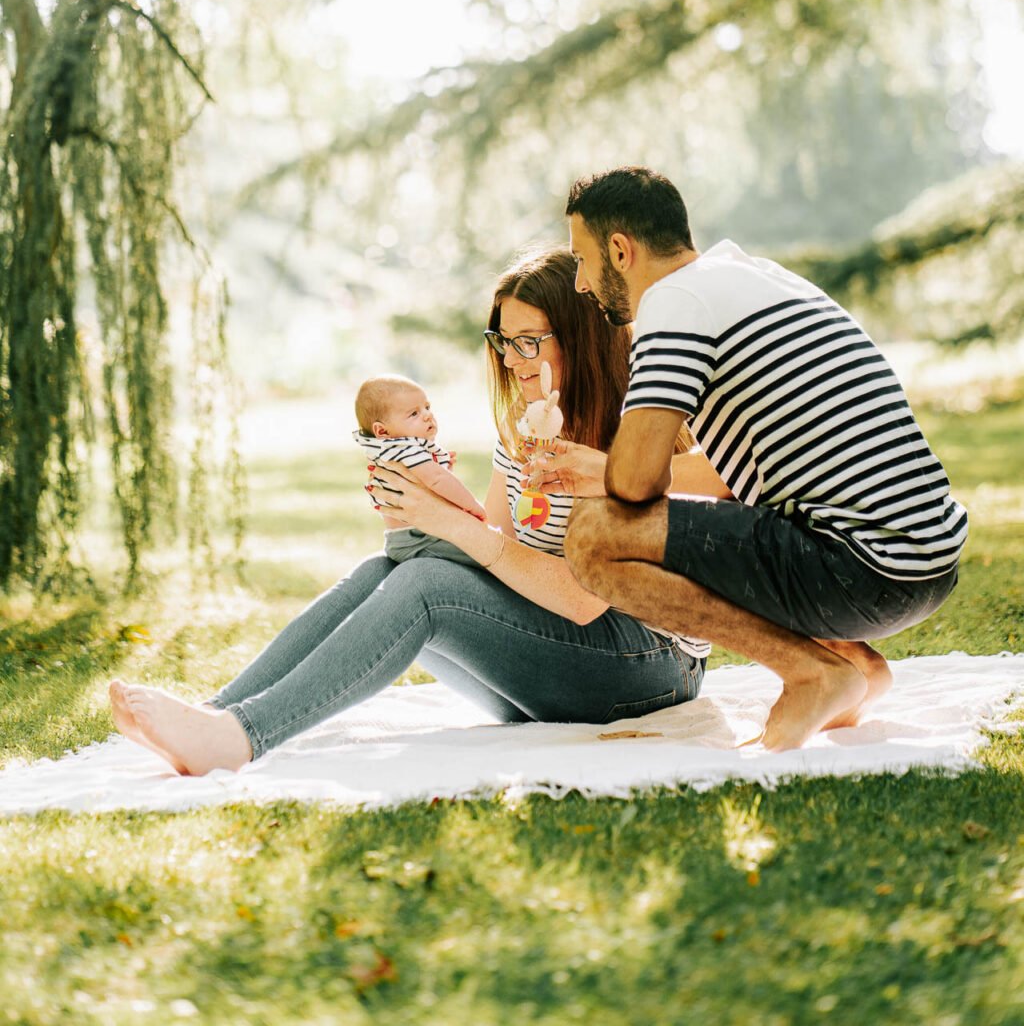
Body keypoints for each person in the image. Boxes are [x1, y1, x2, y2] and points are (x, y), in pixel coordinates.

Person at [107, 248, 708, 777]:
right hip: (569, 659)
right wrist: (415, 517)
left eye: (531, 340)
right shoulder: (522, 429)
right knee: (387, 572)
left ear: (577, 337)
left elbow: (582, 601)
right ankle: (217, 715)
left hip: (649, 664)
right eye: (504, 340)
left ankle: (242, 737)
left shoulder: (628, 430)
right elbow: (499, 545)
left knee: (426, 586)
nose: (514, 359)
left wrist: (447, 525)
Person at [560, 166, 968, 753]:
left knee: (596, 536)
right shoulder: (753, 276)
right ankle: (852, 665)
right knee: (728, 525)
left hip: (864, 569)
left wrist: (608, 473)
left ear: (619, 250)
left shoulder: (674, 300)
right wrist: (600, 468)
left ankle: (813, 674)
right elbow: (731, 477)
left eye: (581, 258)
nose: (579, 282)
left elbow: (635, 485)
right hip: (926, 563)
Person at [353, 373, 487, 566]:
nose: (427, 415)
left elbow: (430, 482)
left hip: (404, 539)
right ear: (382, 431)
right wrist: (473, 506)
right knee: (481, 554)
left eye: (427, 407)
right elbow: (437, 480)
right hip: (418, 539)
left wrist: (443, 467)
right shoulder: (404, 449)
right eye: (414, 413)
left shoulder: (388, 450)